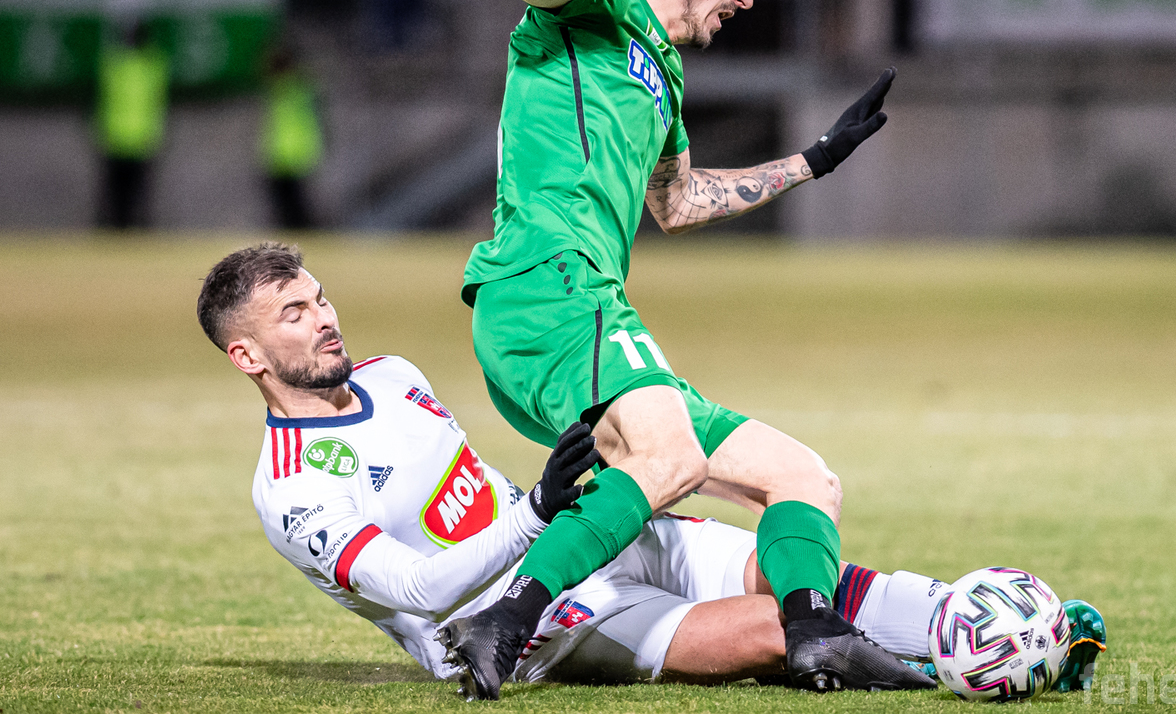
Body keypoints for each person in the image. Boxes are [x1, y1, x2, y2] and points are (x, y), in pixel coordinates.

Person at [193, 243, 1110, 690]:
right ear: (247, 355)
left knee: (797, 578)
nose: (325, 319)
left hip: (569, 536)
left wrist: (551, 506)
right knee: (768, 632)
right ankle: (973, 664)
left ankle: (986, 624)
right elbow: (419, 588)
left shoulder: (393, 375)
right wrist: (532, 514)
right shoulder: (292, 491)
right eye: (293, 314)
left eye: (320, 298)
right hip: (522, 628)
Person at [447, 0, 908, 699]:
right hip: (547, 286)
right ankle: (505, 619)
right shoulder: (601, 0)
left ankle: (816, 634)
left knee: (801, 478)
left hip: (588, 304)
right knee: (669, 460)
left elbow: (679, 201)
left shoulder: (662, 68)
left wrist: (813, 161)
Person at [95, 21, 169, 229]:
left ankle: (128, 227)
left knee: (129, 192)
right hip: (127, 136)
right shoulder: (149, 65)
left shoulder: (117, 64)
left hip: (126, 135)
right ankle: (120, 227)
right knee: (121, 192)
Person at [261, 45, 324, 230]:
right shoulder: (291, 89)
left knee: (293, 206)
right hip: (286, 155)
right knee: (289, 205)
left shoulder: (291, 89)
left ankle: (304, 232)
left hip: (290, 155)